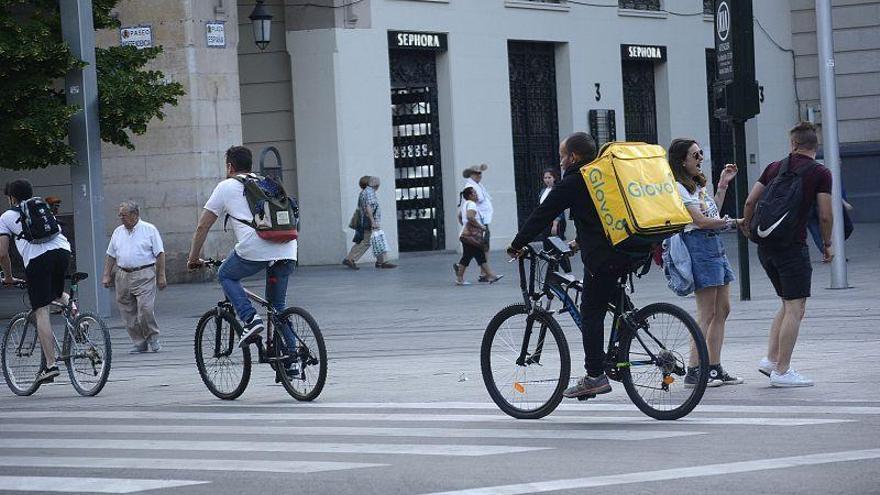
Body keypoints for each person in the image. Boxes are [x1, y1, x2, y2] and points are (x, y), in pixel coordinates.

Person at [507, 132, 648, 399]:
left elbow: (542, 215)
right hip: (629, 250)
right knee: (612, 301)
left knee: (590, 311)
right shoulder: (604, 174)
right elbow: (600, 215)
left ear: (573, 157)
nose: (560, 162)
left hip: (604, 258)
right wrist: (577, 243)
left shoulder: (574, 180)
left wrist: (517, 244)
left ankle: (595, 376)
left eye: (562, 156)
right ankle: (631, 333)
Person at [742, 121, 833, 387]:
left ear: (793, 144)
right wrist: (826, 244)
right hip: (792, 247)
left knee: (787, 302)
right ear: (814, 146)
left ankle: (771, 360)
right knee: (796, 307)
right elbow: (825, 214)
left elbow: (750, 201)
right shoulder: (820, 173)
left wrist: (748, 229)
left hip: (766, 248)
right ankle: (782, 371)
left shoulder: (774, 167)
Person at [186, 146, 297, 349]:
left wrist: (193, 259)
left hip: (256, 247)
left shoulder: (226, 187)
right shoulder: (264, 182)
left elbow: (203, 226)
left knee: (226, 274)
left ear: (230, 166)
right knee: (278, 307)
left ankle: (250, 318)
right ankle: (292, 362)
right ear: (251, 165)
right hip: (288, 247)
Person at [668, 138, 743, 387]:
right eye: (695, 155)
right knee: (706, 312)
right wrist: (734, 223)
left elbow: (713, 213)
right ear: (682, 161)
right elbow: (700, 221)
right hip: (700, 246)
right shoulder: (680, 187)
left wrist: (722, 185)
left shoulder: (696, 186)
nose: (701, 159)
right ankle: (693, 370)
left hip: (714, 245)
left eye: (701, 153)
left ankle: (713, 367)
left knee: (723, 309)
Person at [0, 179, 72, 385]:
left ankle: (50, 365)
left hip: (38, 260)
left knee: (41, 310)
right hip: (63, 251)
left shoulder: (6, 217)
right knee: (57, 293)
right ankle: (79, 320)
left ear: (11, 198)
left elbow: (3, 253)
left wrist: (8, 277)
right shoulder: (42, 206)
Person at [101, 200, 167, 354]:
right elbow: (110, 255)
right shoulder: (118, 232)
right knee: (127, 311)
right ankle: (139, 342)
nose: (121, 218)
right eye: (120, 215)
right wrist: (106, 275)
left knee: (145, 309)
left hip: (144, 273)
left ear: (135, 214)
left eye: (123, 215)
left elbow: (160, 253)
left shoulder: (149, 229)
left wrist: (161, 275)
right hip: (122, 274)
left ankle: (153, 337)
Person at [454, 187, 502, 285]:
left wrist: (464, 226)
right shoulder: (471, 204)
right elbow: (470, 217)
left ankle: (490, 276)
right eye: (474, 193)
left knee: (477, 256)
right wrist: (480, 226)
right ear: (470, 196)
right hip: (471, 237)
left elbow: (460, 217)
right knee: (470, 257)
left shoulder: (465, 204)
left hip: (467, 236)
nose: (477, 194)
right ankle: (460, 278)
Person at [463, 164, 494, 282]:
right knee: (480, 248)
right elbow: (478, 200)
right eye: (476, 173)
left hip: (482, 220)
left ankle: (482, 272)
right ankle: (484, 273)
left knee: (477, 248)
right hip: (479, 221)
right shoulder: (471, 186)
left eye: (480, 173)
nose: (479, 175)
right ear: (471, 174)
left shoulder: (477, 185)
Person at [361, 176, 396, 269]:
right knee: (380, 240)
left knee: (376, 240)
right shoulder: (370, 192)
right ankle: (384, 261)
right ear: (376, 185)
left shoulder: (366, 191)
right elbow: (369, 207)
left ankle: (379, 261)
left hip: (371, 220)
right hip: (373, 221)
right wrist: (373, 221)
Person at [342, 176, 372, 270]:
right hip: (365, 220)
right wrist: (372, 220)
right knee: (365, 241)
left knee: (362, 240)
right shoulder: (367, 193)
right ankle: (350, 259)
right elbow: (368, 208)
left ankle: (350, 258)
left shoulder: (363, 193)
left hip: (362, 220)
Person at [538, 167, 566, 240]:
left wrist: (555, 224)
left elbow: (559, 207)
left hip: (555, 222)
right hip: (545, 221)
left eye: (549, 177)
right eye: (545, 178)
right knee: (546, 244)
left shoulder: (557, 190)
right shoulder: (543, 191)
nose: (547, 180)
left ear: (554, 178)